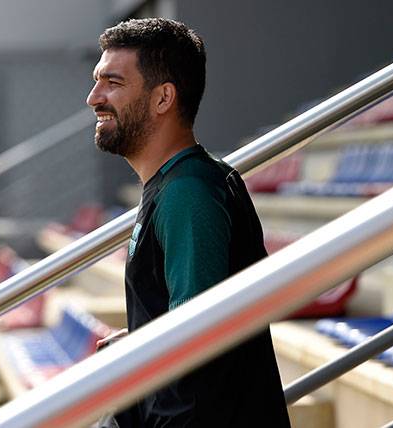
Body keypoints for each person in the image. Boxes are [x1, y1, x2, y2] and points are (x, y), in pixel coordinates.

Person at [87, 18, 291, 427]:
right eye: (97, 82)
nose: (94, 98)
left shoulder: (189, 193)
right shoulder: (179, 183)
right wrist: (140, 338)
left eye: (113, 82)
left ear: (163, 98)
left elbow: (195, 352)